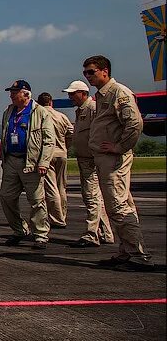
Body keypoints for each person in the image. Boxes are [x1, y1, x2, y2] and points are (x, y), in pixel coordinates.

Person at [83, 55, 152, 270]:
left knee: (118, 207)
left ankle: (138, 256)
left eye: (91, 72)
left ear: (105, 71)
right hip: (104, 158)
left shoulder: (118, 93)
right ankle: (126, 252)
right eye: (85, 73)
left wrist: (120, 147)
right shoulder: (103, 95)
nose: (87, 77)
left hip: (114, 159)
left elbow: (135, 123)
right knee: (122, 204)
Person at [0, 79, 55, 250]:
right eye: (11, 93)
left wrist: (44, 161)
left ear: (26, 94)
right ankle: (20, 230)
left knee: (37, 200)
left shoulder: (40, 112)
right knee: (6, 196)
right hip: (11, 160)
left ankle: (41, 235)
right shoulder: (9, 111)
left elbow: (49, 140)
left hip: (31, 162)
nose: (11, 96)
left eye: (15, 93)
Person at [62, 80, 114, 248]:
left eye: (73, 93)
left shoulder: (92, 108)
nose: (70, 97)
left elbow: (101, 131)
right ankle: (106, 233)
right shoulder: (81, 111)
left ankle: (92, 233)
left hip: (92, 159)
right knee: (94, 197)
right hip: (84, 158)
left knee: (91, 196)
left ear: (83, 93)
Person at [37, 92, 72, 229]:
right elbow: (71, 131)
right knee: (61, 186)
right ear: (51, 102)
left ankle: (57, 218)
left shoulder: (40, 116)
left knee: (51, 188)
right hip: (62, 153)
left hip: (48, 155)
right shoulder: (61, 116)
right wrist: (65, 146)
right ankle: (62, 213)